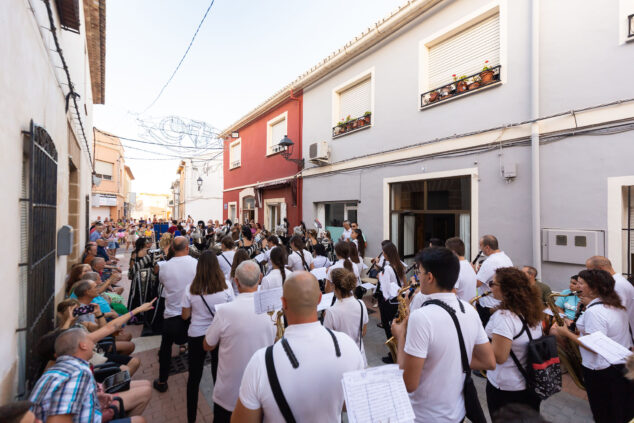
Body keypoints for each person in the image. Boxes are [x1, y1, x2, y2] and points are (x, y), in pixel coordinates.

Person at [232, 272, 364, 422]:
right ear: (320, 299)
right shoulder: (347, 345)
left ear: (284, 302)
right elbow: (350, 404)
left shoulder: (260, 361)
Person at [391, 247, 495, 423]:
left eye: (420, 272)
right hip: (457, 412)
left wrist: (401, 336)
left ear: (430, 277)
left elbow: (409, 384)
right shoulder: (469, 310)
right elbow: (488, 361)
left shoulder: (421, 317)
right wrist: (448, 361)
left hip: (426, 416)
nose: (418, 276)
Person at [550, 269, 634, 423]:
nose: (577, 286)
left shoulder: (595, 312)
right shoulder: (615, 304)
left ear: (594, 288)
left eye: (581, 283)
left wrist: (566, 333)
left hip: (602, 371)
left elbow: (593, 345)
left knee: (604, 414)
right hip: (619, 367)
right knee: (619, 412)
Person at [203, 261, 275, 423]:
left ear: (236, 282)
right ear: (260, 279)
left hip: (229, 392)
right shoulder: (273, 309)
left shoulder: (225, 311)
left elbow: (207, 344)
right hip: (262, 391)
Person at [30, 328, 151, 423]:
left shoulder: (56, 370)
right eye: (89, 340)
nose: (93, 343)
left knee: (145, 387)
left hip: (92, 409)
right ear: (83, 345)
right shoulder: (78, 373)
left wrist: (94, 398)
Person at [182, 251, 234, 423]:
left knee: (194, 377)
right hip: (219, 334)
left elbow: (185, 316)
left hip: (197, 334)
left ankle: (191, 417)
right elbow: (230, 310)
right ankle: (219, 417)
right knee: (218, 375)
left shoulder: (190, 288)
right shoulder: (226, 286)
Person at [485, 267, 544, 417]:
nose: (489, 286)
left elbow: (499, 357)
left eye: (493, 283)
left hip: (506, 387)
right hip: (529, 383)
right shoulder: (532, 309)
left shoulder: (504, 317)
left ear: (506, 289)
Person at [154, 236, 198, 393]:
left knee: (165, 348)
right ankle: (194, 379)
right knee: (195, 348)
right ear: (187, 248)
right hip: (192, 313)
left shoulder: (164, 266)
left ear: (172, 248)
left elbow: (163, 283)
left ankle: (162, 381)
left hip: (172, 313)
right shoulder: (195, 264)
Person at [323, 268, 368, 366]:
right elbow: (363, 332)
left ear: (334, 286)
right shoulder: (361, 304)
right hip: (360, 357)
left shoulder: (331, 312)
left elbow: (328, 342)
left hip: (342, 361)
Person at [585, 255, 634, 337]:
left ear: (600, 269)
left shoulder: (617, 284)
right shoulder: (616, 282)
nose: (589, 274)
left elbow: (616, 313)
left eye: (590, 271)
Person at [475, 235, 513, 326]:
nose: (481, 249)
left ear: (487, 247)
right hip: (501, 302)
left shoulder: (490, 261)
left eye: (481, 246)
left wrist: (472, 271)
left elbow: (477, 283)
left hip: (488, 304)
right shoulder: (506, 258)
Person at [377, 241, 405, 345]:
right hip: (398, 298)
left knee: (388, 325)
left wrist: (380, 277)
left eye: (383, 253)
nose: (383, 255)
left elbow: (385, 290)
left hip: (389, 301)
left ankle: (393, 352)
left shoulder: (387, 268)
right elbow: (403, 283)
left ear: (387, 254)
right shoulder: (400, 264)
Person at [445, 237, 477, 302]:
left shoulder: (455, 268)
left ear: (453, 253)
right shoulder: (469, 266)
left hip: (459, 309)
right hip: (470, 308)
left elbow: (451, 294)